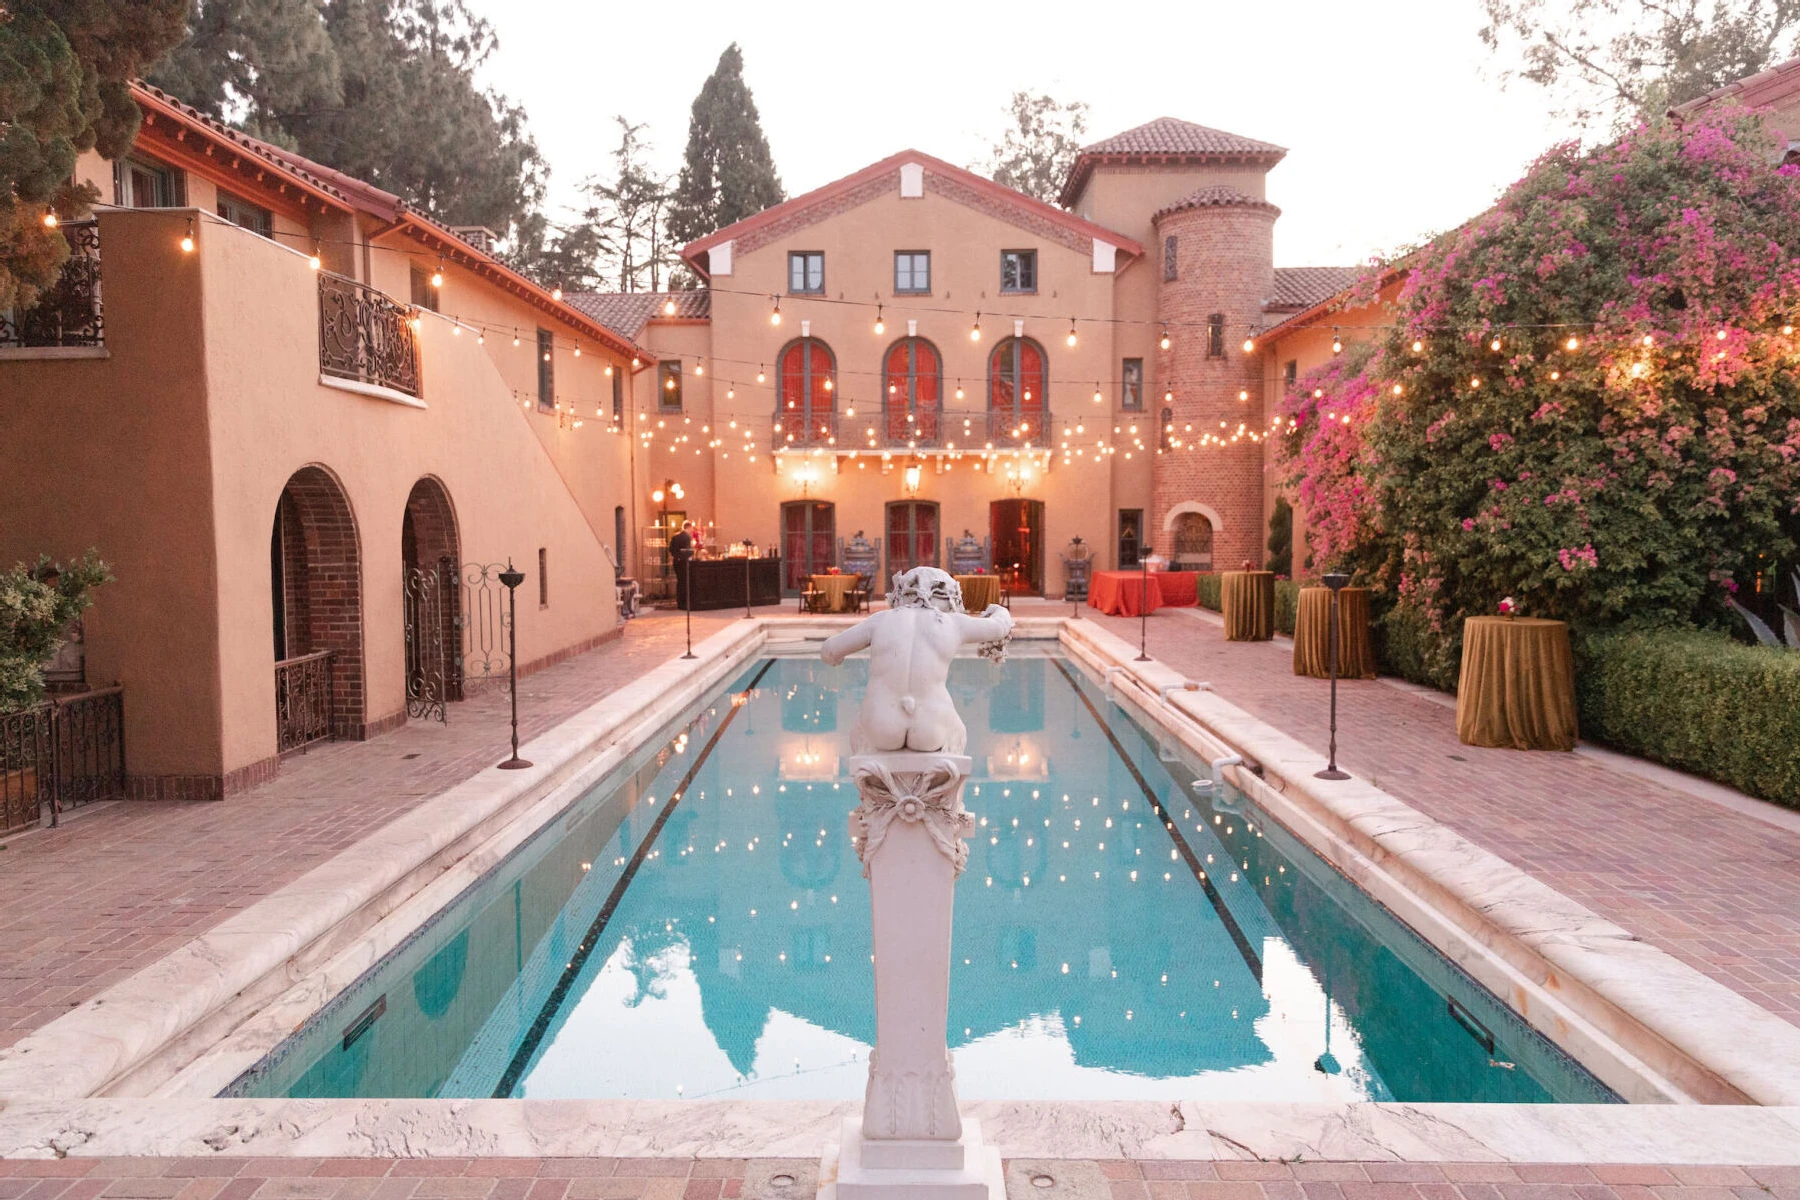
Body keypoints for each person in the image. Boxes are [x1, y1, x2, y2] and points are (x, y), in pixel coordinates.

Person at [669, 521, 695, 609]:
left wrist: (676, 555)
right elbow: (688, 551)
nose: (692, 531)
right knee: (684, 582)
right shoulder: (686, 537)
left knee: (679, 581)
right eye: (691, 529)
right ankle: (684, 603)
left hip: (676, 562)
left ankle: (679, 602)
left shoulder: (675, 537)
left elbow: (670, 549)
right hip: (683, 563)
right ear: (688, 528)